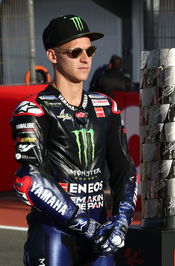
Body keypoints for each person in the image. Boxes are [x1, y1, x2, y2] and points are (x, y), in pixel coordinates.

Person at [11, 14, 137, 265]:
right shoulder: (33, 109)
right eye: (74, 51)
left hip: (100, 235)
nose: (85, 58)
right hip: (54, 232)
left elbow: (125, 169)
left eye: (89, 50)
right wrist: (85, 225)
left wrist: (122, 221)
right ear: (52, 55)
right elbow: (29, 179)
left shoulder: (106, 106)